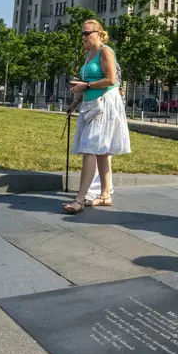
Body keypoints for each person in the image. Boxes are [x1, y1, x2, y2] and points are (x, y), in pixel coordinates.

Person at [62, 19, 131, 214]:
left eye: (87, 33)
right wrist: (75, 102)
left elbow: (111, 79)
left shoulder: (106, 51)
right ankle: (105, 195)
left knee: (90, 148)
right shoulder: (88, 55)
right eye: (82, 33)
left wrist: (87, 86)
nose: (83, 37)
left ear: (99, 34)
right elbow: (86, 81)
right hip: (90, 104)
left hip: (104, 104)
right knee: (100, 151)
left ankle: (80, 198)